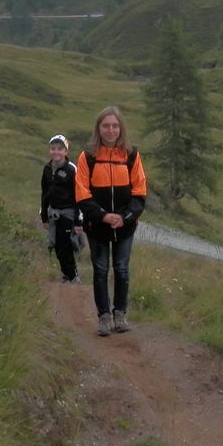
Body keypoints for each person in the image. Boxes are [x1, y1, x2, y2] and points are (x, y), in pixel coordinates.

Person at [75, 105, 148, 337]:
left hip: (124, 226)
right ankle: (104, 317)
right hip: (97, 225)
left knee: (122, 269)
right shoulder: (87, 156)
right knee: (100, 269)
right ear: (98, 128)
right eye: (106, 125)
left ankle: (120, 314)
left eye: (115, 126)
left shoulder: (132, 155)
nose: (110, 130)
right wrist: (103, 216)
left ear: (121, 128)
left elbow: (139, 192)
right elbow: (82, 193)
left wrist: (125, 217)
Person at [38, 134, 80, 283]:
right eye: (53, 148)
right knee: (55, 244)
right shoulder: (47, 169)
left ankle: (73, 276)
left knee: (64, 245)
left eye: (60, 149)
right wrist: (43, 215)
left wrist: (78, 221)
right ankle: (67, 273)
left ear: (66, 152)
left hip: (68, 213)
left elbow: (79, 195)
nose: (56, 152)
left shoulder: (72, 169)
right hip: (53, 212)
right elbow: (44, 192)